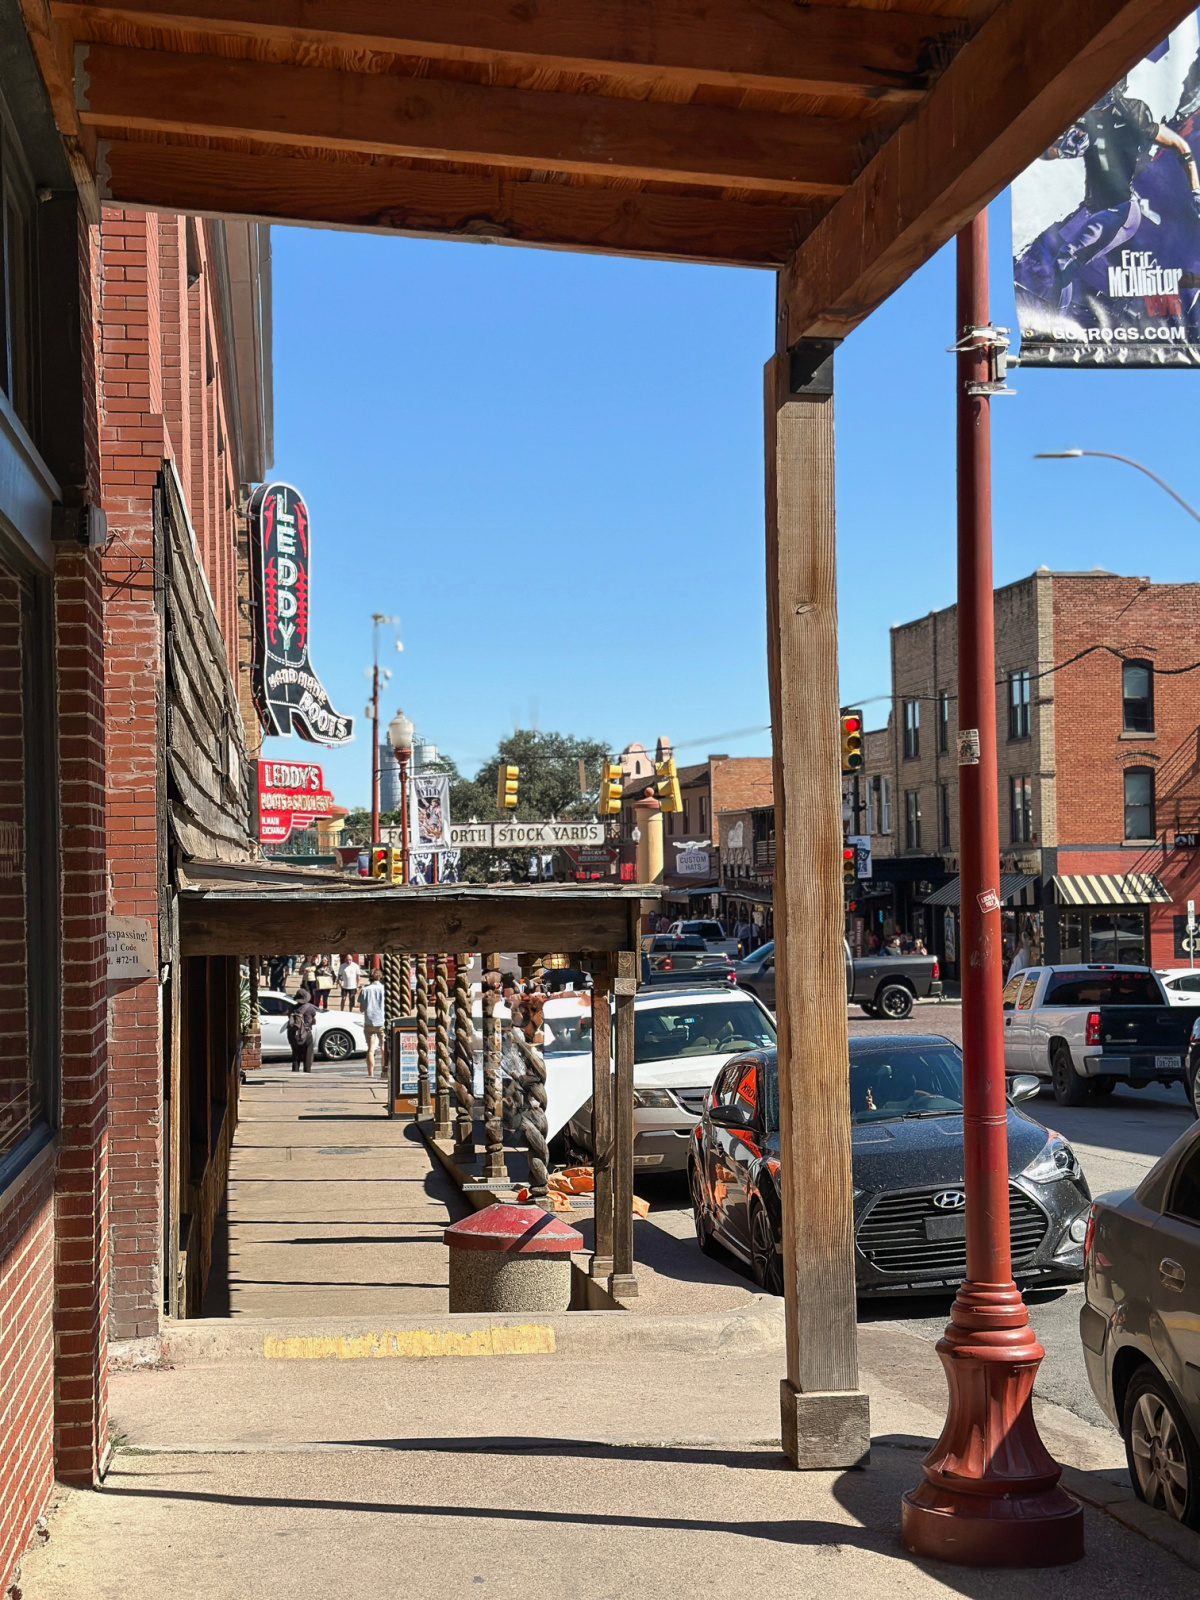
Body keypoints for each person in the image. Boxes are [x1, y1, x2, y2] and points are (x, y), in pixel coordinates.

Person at [359, 970, 386, 1078]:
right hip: (381, 1020)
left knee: (370, 1048)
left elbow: (361, 1009)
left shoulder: (365, 990)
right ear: (380, 977)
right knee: (383, 1047)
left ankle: (371, 1073)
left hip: (369, 1020)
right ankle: (384, 1070)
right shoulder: (384, 989)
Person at [287, 987, 317, 1073]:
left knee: (296, 1055)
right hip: (306, 1033)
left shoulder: (292, 1008)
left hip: (293, 1033)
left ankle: (295, 1072)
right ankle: (307, 1072)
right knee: (308, 1055)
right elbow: (314, 1021)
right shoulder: (310, 1008)